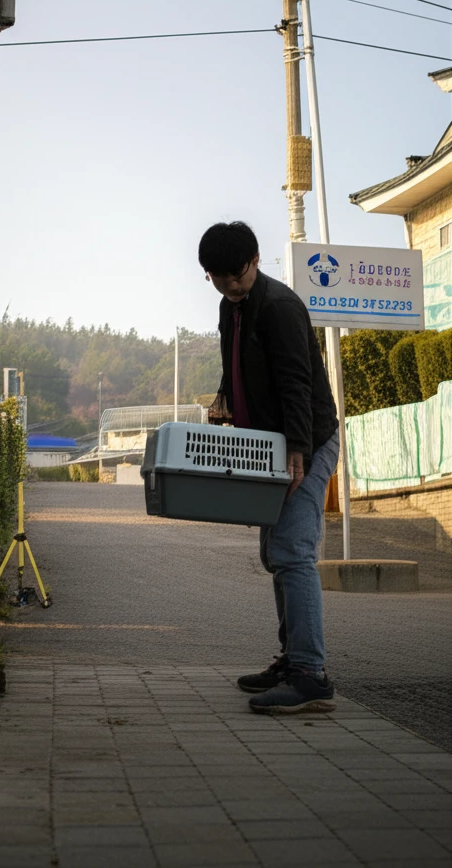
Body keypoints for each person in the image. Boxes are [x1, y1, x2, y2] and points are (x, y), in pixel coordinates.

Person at [198, 221, 339, 714]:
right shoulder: (230, 307)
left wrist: (298, 449)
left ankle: (310, 674)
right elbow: (236, 373)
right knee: (275, 553)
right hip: (271, 446)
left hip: (307, 441)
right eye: (220, 279)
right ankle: (292, 660)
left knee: (293, 552)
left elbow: (296, 383)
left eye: (237, 276)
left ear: (256, 261)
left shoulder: (280, 307)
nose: (231, 287)